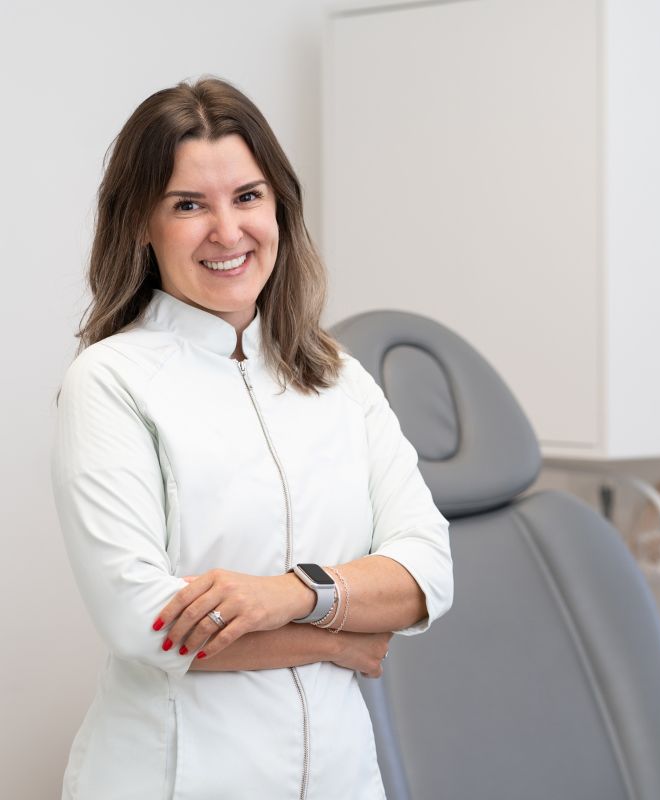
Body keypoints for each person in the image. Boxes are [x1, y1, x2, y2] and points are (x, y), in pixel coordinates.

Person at [51, 76, 453, 800]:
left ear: (279, 207)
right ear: (142, 223)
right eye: (188, 205)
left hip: (339, 779)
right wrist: (347, 634)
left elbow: (426, 574)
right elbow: (142, 622)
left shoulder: (339, 379)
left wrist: (286, 597)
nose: (228, 232)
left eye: (246, 197)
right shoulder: (110, 381)